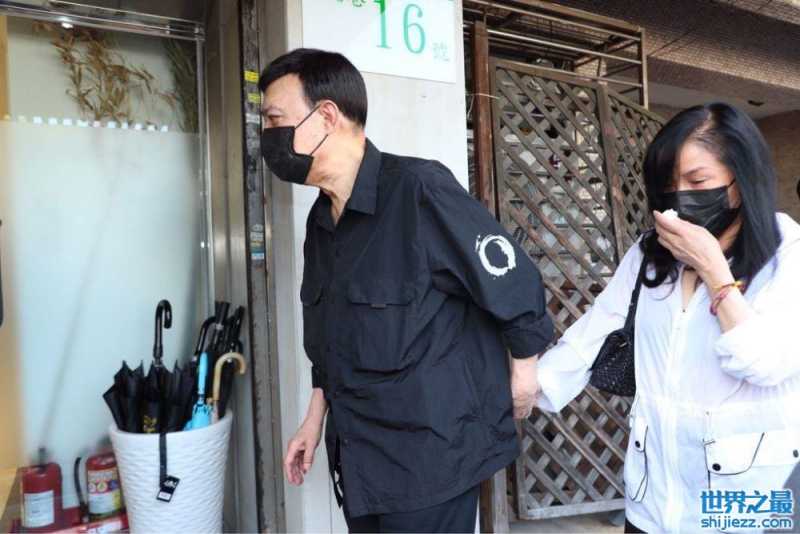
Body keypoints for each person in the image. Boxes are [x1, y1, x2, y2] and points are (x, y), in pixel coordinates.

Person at [258, 48, 554, 533]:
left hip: (430, 461)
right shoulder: (322, 219)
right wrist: (314, 419)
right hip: (359, 459)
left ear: (326, 116)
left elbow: (512, 278)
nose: (268, 135)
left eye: (275, 119)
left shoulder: (419, 190)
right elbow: (331, 337)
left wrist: (523, 376)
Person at [532, 102, 800, 533]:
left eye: (698, 181)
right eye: (668, 185)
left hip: (746, 503)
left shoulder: (788, 254)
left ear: (741, 180)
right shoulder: (648, 254)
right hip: (654, 500)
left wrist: (713, 269)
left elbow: (765, 363)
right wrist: (528, 388)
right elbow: (594, 333)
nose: (680, 197)